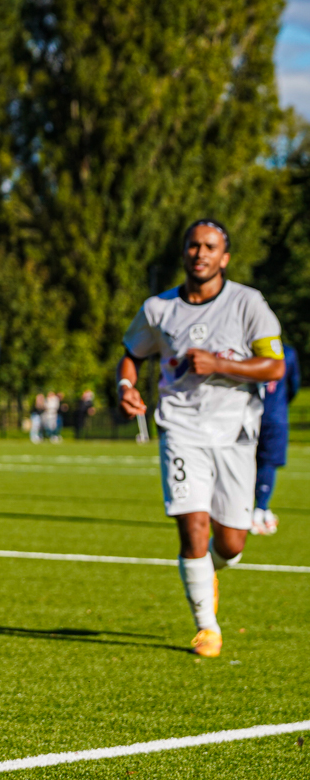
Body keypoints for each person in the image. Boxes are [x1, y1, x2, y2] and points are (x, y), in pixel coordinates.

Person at [119, 219, 285, 658]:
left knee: (231, 543)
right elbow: (132, 355)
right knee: (192, 524)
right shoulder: (159, 308)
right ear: (185, 252)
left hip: (235, 432)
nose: (200, 253)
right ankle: (206, 627)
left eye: (210, 247)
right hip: (181, 427)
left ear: (224, 257)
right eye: (194, 245)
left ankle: (208, 569)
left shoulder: (248, 303)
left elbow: (274, 366)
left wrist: (220, 365)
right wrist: (125, 388)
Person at [251, 343, 299, 535]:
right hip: (273, 416)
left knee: (253, 461)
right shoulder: (287, 352)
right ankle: (259, 510)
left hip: (248, 414)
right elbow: (293, 386)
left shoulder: (247, 349)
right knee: (267, 463)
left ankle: (260, 508)